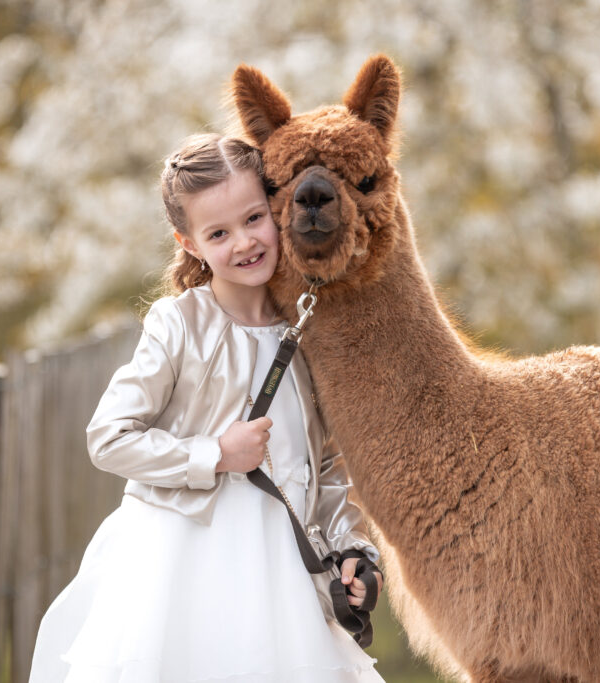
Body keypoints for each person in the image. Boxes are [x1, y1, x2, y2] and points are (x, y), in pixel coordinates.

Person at [28, 132, 385, 682]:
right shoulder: (177, 325)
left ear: (277, 210)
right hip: (183, 567)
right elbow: (108, 437)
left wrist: (350, 546)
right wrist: (214, 454)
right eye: (218, 232)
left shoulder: (307, 327)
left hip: (282, 569)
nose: (244, 242)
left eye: (253, 219)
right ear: (189, 242)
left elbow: (328, 463)